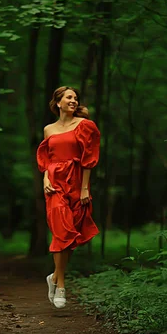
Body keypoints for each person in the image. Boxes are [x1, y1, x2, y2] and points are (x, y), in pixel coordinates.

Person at [36, 86, 100, 309]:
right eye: (69, 97)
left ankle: (53, 276)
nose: (73, 101)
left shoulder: (84, 126)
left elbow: (89, 158)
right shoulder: (48, 130)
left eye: (76, 98)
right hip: (54, 183)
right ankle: (61, 285)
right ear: (58, 103)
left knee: (71, 235)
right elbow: (46, 158)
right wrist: (45, 179)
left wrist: (84, 188)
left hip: (76, 182)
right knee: (61, 230)